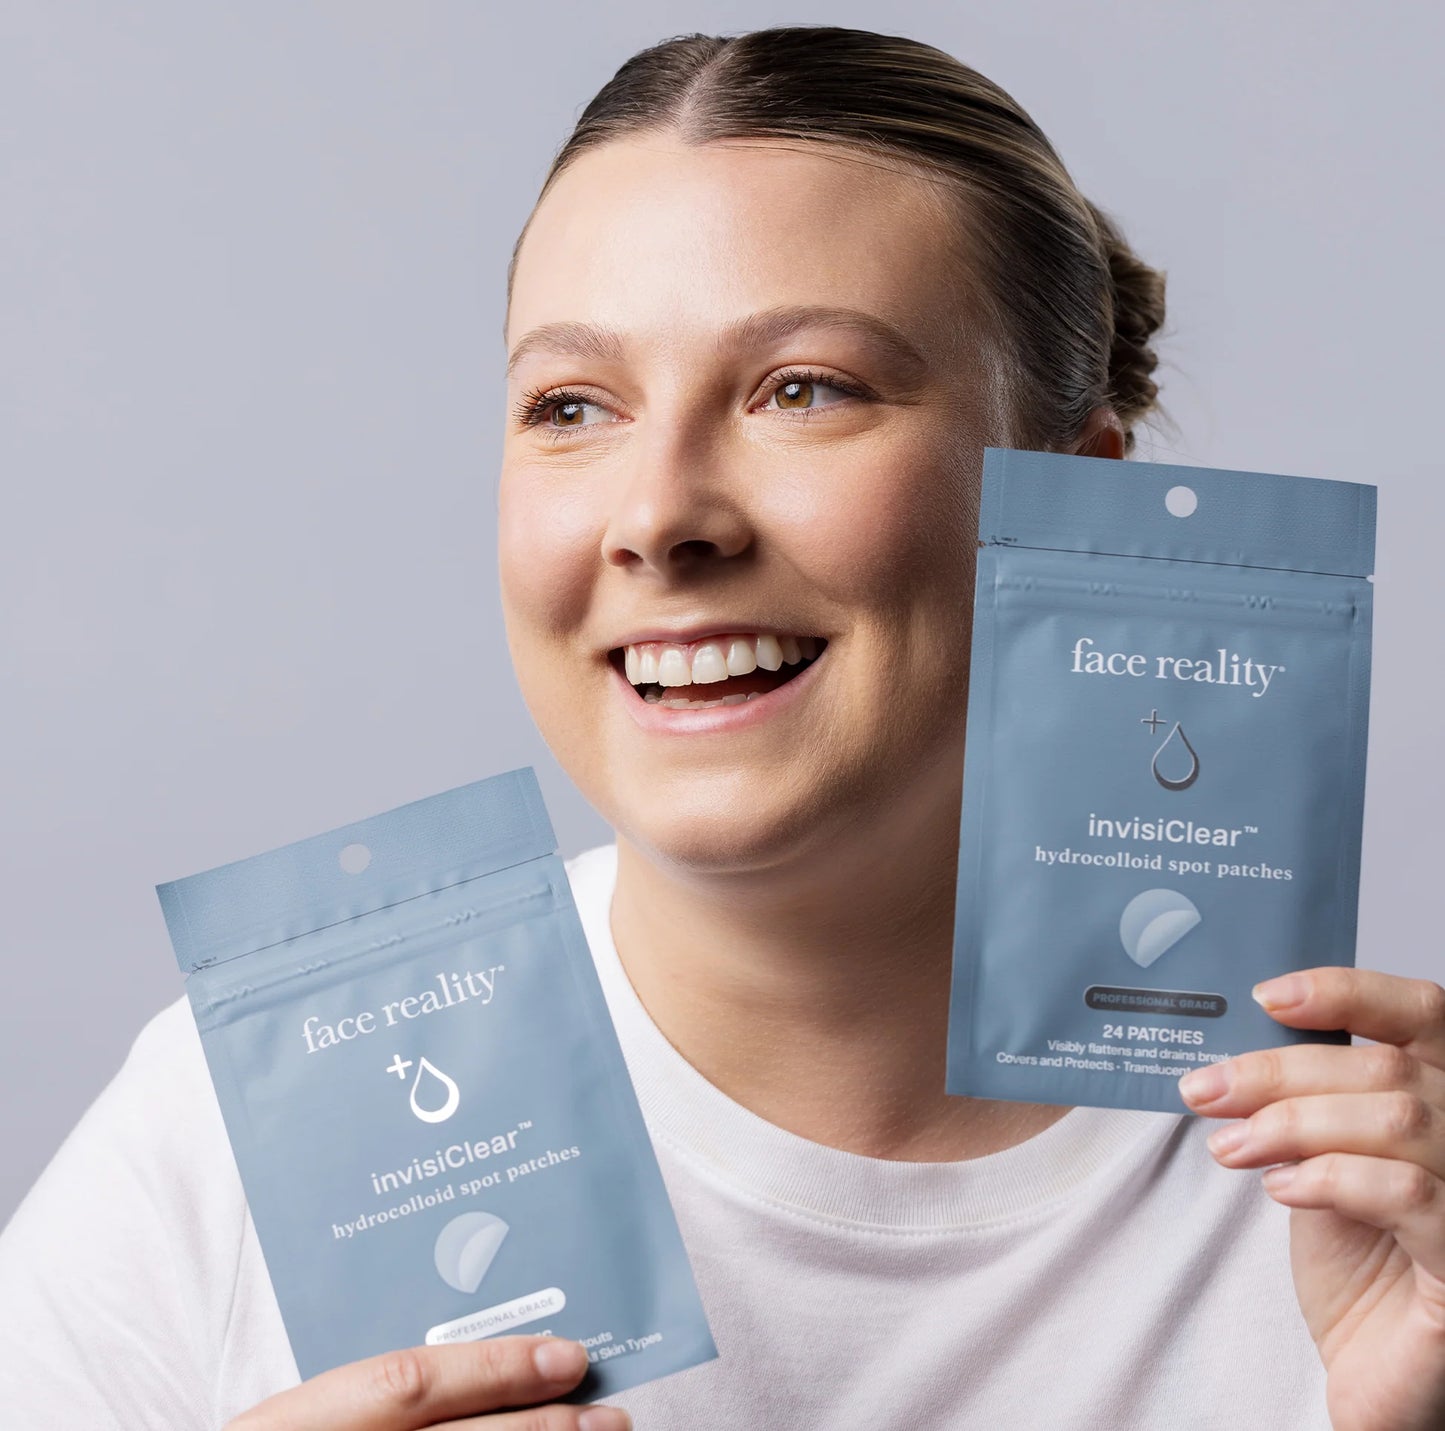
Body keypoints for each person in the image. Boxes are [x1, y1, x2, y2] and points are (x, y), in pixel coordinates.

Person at [2, 23, 1442, 1430]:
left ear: (1082, 502)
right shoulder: (237, 1133)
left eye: (801, 390)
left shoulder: (1389, 1206)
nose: (656, 517)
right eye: (570, 405)